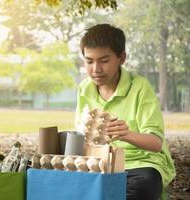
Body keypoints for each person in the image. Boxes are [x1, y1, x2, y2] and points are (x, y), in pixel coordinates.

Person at [75, 24, 176, 200]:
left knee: (141, 186)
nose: (96, 69)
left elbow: (156, 143)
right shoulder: (85, 88)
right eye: (89, 61)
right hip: (99, 162)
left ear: (121, 58)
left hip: (140, 164)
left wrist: (126, 134)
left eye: (104, 61)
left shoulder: (140, 87)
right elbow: (80, 135)